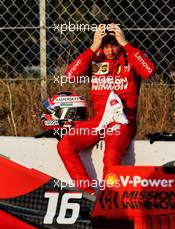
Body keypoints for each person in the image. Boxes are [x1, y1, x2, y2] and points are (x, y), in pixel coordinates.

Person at [57, 22, 156, 194]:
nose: (110, 51)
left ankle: (109, 199)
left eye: (114, 46)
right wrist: (94, 46)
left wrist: (125, 43)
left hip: (122, 121)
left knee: (110, 153)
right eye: (106, 46)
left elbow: (148, 71)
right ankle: (87, 193)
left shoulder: (131, 55)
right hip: (98, 121)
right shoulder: (95, 57)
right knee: (65, 144)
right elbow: (70, 75)